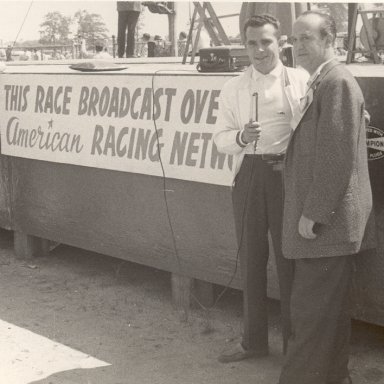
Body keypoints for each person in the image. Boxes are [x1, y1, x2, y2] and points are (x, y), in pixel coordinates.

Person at [278, 11, 375, 384]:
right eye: (294, 39)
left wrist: (313, 213)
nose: (297, 46)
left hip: (325, 227)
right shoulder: (324, 81)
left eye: (306, 38)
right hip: (327, 226)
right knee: (326, 317)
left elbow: (336, 158)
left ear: (329, 40)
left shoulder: (336, 83)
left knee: (311, 317)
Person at [213, 14, 308, 363]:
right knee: (251, 261)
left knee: (290, 263)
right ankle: (253, 343)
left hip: (286, 173)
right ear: (244, 44)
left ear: (280, 42)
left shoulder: (300, 80)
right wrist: (241, 137)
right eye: (251, 42)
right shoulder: (233, 87)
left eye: (265, 41)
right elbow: (221, 139)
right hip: (250, 174)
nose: (259, 50)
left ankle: (295, 348)